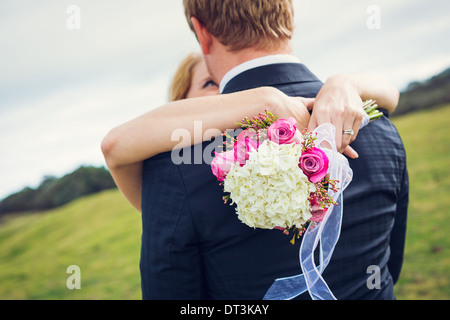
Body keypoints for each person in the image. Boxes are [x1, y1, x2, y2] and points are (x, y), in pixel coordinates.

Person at [103, 0, 408, 299]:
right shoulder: (379, 127)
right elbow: (389, 269)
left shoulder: (177, 166)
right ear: (289, 16)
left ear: (202, 32)